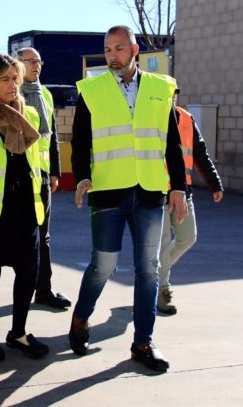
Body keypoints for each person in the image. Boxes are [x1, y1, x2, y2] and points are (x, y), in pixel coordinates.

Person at [69, 25, 187, 372]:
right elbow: (80, 141)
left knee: (149, 269)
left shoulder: (161, 88)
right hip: (108, 191)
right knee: (104, 265)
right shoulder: (91, 90)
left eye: (119, 49)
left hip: (149, 192)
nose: (113, 56)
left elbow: (171, 143)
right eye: (108, 50)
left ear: (134, 50)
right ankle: (81, 318)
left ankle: (143, 342)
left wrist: (179, 187)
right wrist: (82, 176)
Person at [0, 54, 49, 362]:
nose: (13, 84)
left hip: (25, 206)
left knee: (28, 271)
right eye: (5, 79)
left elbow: (37, 157)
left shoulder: (30, 113)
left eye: (16, 78)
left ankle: (18, 332)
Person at [157, 88, 224, 315]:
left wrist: (214, 183)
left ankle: (153, 275)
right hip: (158, 192)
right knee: (163, 244)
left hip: (183, 192)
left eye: (174, 93)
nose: (171, 97)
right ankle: (162, 290)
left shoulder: (186, 119)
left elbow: (200, 154)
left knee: (187, 238)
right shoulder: (150, 119)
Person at [16, 47, 71, 310]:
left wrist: (55, 172)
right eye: (30, 61)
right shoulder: (11, 92)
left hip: (42, 176)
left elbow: (52, 136)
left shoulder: (45, 94)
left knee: (43, 236)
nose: (36, 65)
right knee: (18, 238)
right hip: (17, 176)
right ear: (17, 63)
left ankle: (44, 290)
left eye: (38, 61)